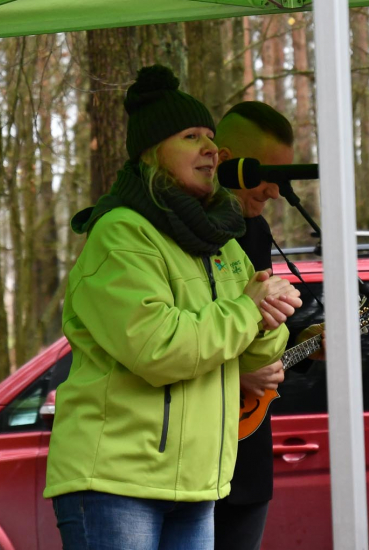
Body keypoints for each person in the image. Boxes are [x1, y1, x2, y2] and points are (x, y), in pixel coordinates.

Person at [44, 66, 303, 550]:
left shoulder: (219, 240)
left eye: (211, 136)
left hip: (196, 484)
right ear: (152, 152)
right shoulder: (121, 234)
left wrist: (272, 316)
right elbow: (160, 347)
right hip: (116, 483)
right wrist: (250, 310)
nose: (212, 148)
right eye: (192, 136)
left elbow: (251, 358)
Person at [213, 102, 322, 550]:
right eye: (265, 175)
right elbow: (162, 344)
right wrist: (234, 376)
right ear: (224, 161)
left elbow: (261, 325)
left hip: (249, 454)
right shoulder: (182, 234)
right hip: (194, 458)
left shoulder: (254, 230)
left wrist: (305, 346)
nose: (276, 192)